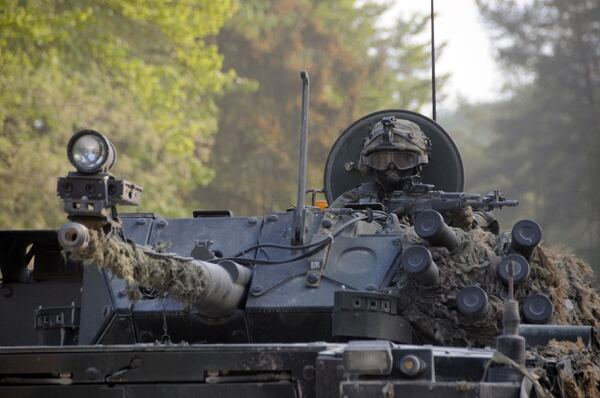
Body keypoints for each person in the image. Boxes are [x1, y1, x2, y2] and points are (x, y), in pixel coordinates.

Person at [331, 116, 482, 231]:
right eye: (382, 160)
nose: (391, 167)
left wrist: (469, 220)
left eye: (402, 160)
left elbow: (485, 220)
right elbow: (325, 225)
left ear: (418, 163)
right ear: (369, 165)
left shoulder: (438, 201)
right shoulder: (355, 199)